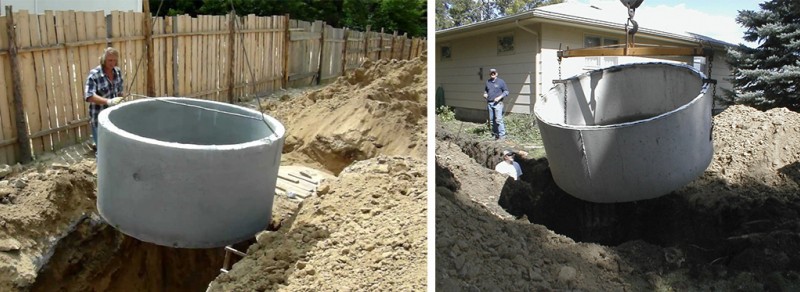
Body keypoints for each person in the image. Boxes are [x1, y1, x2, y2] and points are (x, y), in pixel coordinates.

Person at [85, 47, 126, 149]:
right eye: (110, 60)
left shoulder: (117, 72)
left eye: (114, 60)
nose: (112, 63)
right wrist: (108, 101)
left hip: (115, 118)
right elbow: (89, 96)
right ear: (103, 60)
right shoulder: (94, 74)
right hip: (99, 119)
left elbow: (120, 92)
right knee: (103, 150)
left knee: (115, 148)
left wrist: (122, 99)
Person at [484, 68, 508, 140]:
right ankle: (495, 135)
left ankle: (502, 136)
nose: (493, 74)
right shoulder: (488, 82)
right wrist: (485, 94)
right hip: (490, 103)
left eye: (494, 73)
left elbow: (506, 92)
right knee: (492, 120)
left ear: (496, 74)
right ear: (490, 74)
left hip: (498, 104)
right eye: (491, 73)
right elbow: (486, 91)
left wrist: (499, 97)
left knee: (498, 120)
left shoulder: (501, 82)